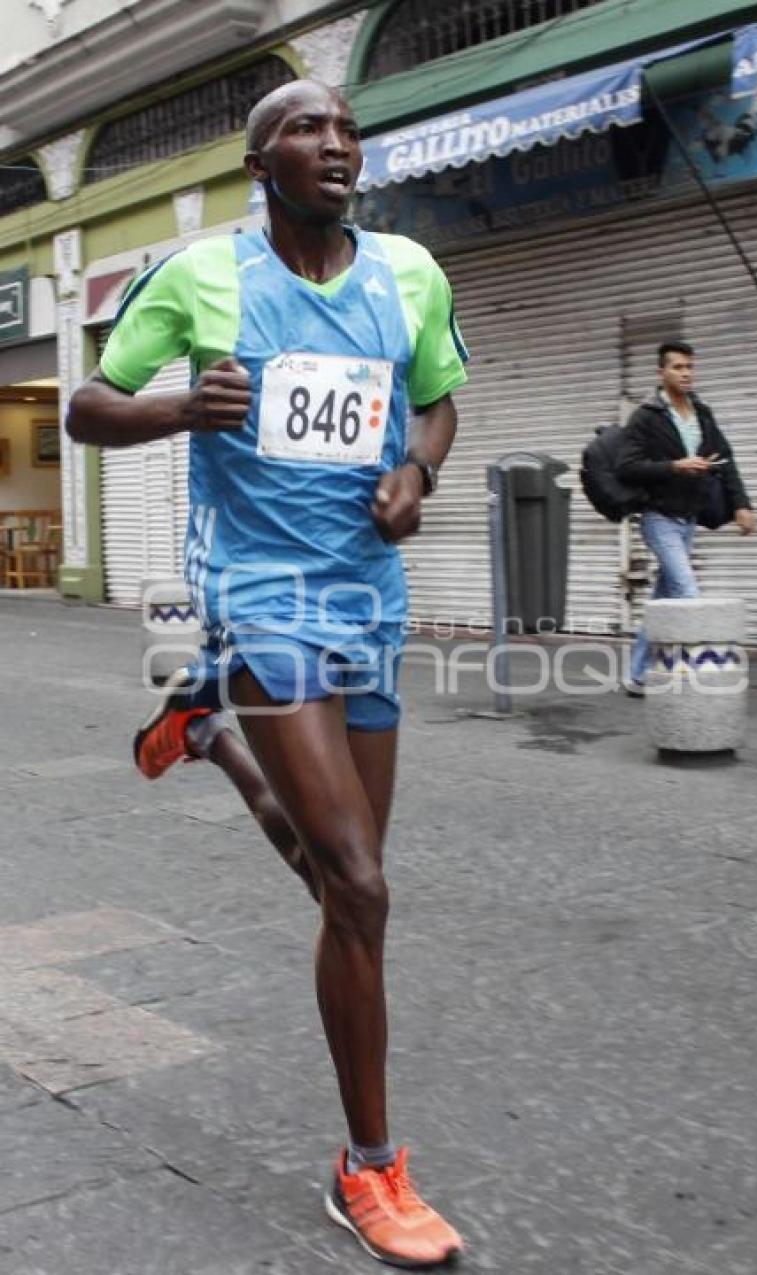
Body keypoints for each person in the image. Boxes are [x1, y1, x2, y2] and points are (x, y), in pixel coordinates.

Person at [66, 79, 468, 1269]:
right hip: (261, 597)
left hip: (367, 598)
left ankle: (202, 734)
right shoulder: (201, 276)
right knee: (362, 889)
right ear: (259, 161)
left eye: (346, 129)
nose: (334, 143)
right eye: (306, 127)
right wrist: (182, 408)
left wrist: (419, 475)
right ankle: (370, 1169)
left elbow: (439, 403)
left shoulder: (408, 273)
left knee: (339, 882)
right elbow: (88, 406)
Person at [616, 340, 756, 696]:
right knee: (687, 590)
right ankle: (701, 679)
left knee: (665, 599)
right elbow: (627, 467)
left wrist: (741, 505)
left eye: (690, 367)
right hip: (658, 517)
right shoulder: (647, 417)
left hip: (689, 517)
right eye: (678, 367)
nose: (686, 373)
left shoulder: (702, 414)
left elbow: (726, 460)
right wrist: (675, 466)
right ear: (661, 373)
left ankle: (636, 676)